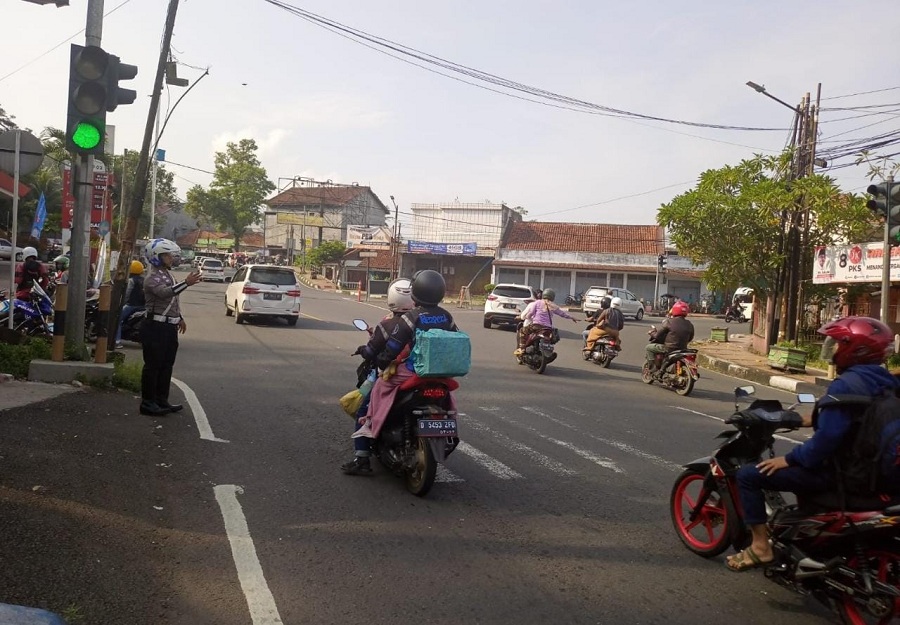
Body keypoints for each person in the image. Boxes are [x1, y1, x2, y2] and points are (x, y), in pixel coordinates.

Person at [726, 317, 900, 572]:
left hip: (844, 475)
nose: (833, 350)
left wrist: (790, 458)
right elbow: (855, 418)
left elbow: (826, 439)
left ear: (856, 350)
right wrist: (813, 417)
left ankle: (761, 547)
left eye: (839, 344)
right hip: (876, 473)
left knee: (749, 475)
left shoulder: (846, 384)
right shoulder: (886, 381)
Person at [346, 270, 459, 472]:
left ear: (416, 293)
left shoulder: (410, 318)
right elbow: (455, 340)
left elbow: (393, 348)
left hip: (414, 371)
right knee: (447, 396)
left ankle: (370, 426)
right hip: (441, 372)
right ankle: (450, 423)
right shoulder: (446, 316)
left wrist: (382, 364)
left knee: (380, 387)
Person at [341, 278, 416, 475]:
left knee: (363, 413)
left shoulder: (388, 324)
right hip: (422, 374)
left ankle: (362, 458)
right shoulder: (424, 320)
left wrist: (365, 351)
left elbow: (373, 352)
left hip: (392, 375)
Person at [140, 238, 201, 417]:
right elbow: (164, 293)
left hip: (168, 326)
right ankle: (148, 402)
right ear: (156, 257)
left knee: (167, 365)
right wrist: (186, 284)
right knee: (153, 365)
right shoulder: (151, 278)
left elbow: (173, 301)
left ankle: (161, 399)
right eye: (167, 255)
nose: (170, 258)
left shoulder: (167, 275)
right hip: (155, 326)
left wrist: (179, 317)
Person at [514, 288, 578, 357]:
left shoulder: (537, 303)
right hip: (548, 328)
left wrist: (524, 317)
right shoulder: (553, 305)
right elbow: (562, 314)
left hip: (536, 326)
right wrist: (572, 318)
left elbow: (531, 313)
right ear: (552, 297)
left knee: (522, 331)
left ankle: (522, 349)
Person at [645, 300, 694, 371]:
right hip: (683, 349)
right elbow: (690, 338)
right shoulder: (690, 324)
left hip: (669, 349)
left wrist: (652, 333)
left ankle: (652, 368)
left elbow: (657, 335)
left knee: (648, 347)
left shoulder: (669, 322)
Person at [115, 260, 146, 348]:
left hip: (132, 305)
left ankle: (117, 341)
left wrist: (121, 303)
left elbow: (126, 294)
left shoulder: (131, 281)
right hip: (143, 306)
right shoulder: (144, 280)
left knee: (117, 320)